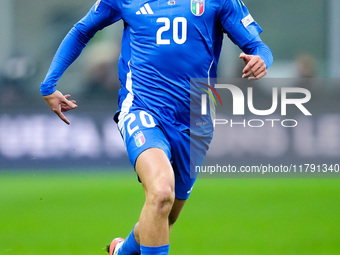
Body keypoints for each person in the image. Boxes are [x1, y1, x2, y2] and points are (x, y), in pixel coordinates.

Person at [40, 0, 273, 254]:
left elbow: (257, 46)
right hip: (142, 108)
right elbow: (82, 30)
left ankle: (121, 251)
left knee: (165, 215)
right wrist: (49, 83)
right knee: (161, 193)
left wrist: (261, 59)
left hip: (196, 120)